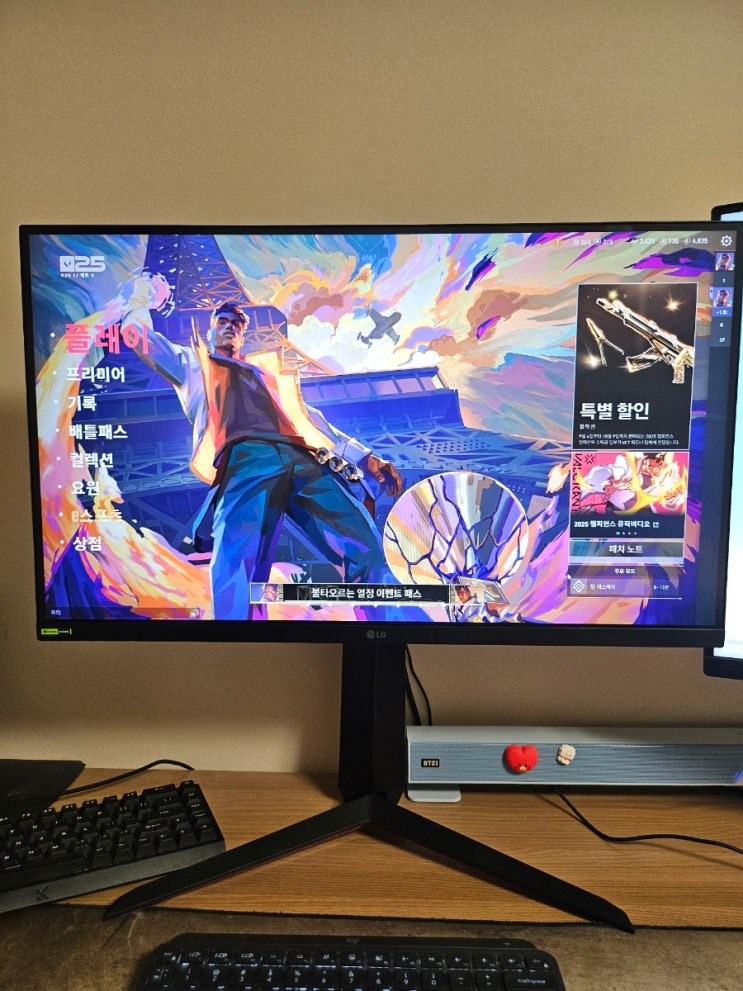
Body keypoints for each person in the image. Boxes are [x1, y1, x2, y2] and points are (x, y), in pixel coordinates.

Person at [109, 273, 403, 619]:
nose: (230, 326)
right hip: (246, 460)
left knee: (367, 548)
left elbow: (310, 419)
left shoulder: (268, 375)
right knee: (238, 566)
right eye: (222, 321)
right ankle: (240, 644)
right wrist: (142, 298)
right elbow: (140, 338)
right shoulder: (192, 365)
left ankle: (380, 632)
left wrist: (365, 457)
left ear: (244, 333)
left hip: (303, 459)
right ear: (210, 330)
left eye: (237, 323)